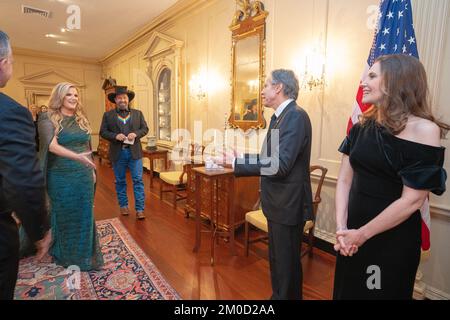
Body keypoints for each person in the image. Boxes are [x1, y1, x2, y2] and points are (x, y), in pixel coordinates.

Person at [333, 54, 449, 299]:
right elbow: (344, 180)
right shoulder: (361, 125)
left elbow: (413, 201)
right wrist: (343, 229)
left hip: (391, 239)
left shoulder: (425, 130)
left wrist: (361, 235)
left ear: (397, 81)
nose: (364, 81)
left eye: (372, 76)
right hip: (351, 233)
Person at [222, 69, 313, 300]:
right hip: (278, 204)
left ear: (279, 88)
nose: (262, 90)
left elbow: (280, 165)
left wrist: (236, 163)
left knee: (286, 265)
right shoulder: (280, 117)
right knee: (279, 263)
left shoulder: (295, 116)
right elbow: (271, 158)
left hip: (288, 205)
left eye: (266, 85)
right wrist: (240, 159)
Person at [0, 30, 51, 300]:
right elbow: (22, 181)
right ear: (3, 62)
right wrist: (39, 232)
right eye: (12, 60)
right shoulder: (9, 112)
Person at [38, 82, 103, 271]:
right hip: (60, 176)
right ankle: (62, 251)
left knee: (84, 215)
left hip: (83, 175)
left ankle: (84, 256)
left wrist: (91, 170)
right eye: (69, 95)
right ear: (60, 97)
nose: (74, 98)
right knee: (64, 214)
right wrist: (78, 158)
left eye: (76, 95)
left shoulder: (80, 118)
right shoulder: (47, 117)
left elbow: (87, 147)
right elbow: (51, 146)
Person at [100, 86, 149, 219]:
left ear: (128, 100)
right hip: (118, 153)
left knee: (138, 180)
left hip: (135, 153)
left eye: (125, 97)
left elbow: (145, 129)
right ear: (115, 100)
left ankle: (140, 209)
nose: (122, 100)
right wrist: (115, 136)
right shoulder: (108, 115)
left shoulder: (138, 113)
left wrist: (136, 133)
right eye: (120, 98)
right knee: (120, 181)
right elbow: (103, 132)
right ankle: (124, 206)